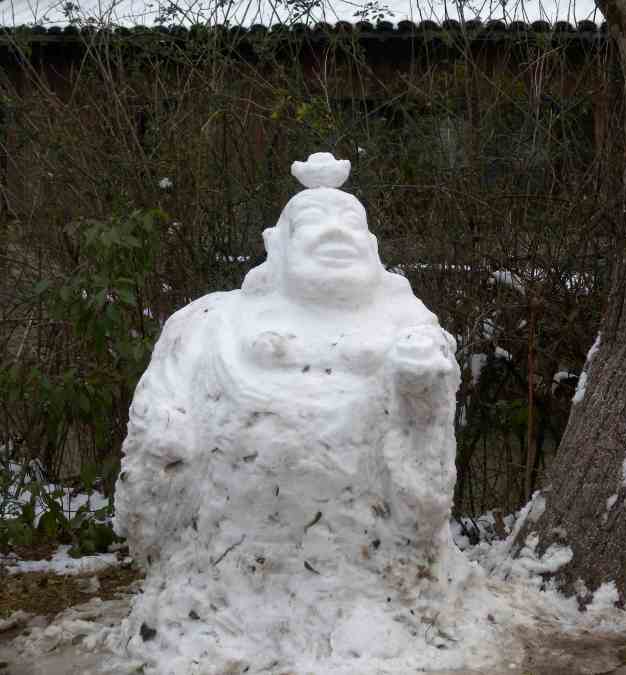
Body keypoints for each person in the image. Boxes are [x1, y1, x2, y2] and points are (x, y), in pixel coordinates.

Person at [113, 153, 462, 671]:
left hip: (366, 590)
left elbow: (428, 488)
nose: (334, 234)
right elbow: (154, 438)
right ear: (276, 247)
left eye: (350, 224)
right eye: (313, 223)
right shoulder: (208, 323)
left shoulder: (411, 328)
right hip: (223, 581)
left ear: (372, 249)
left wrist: (421, 397)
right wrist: (164, 439)